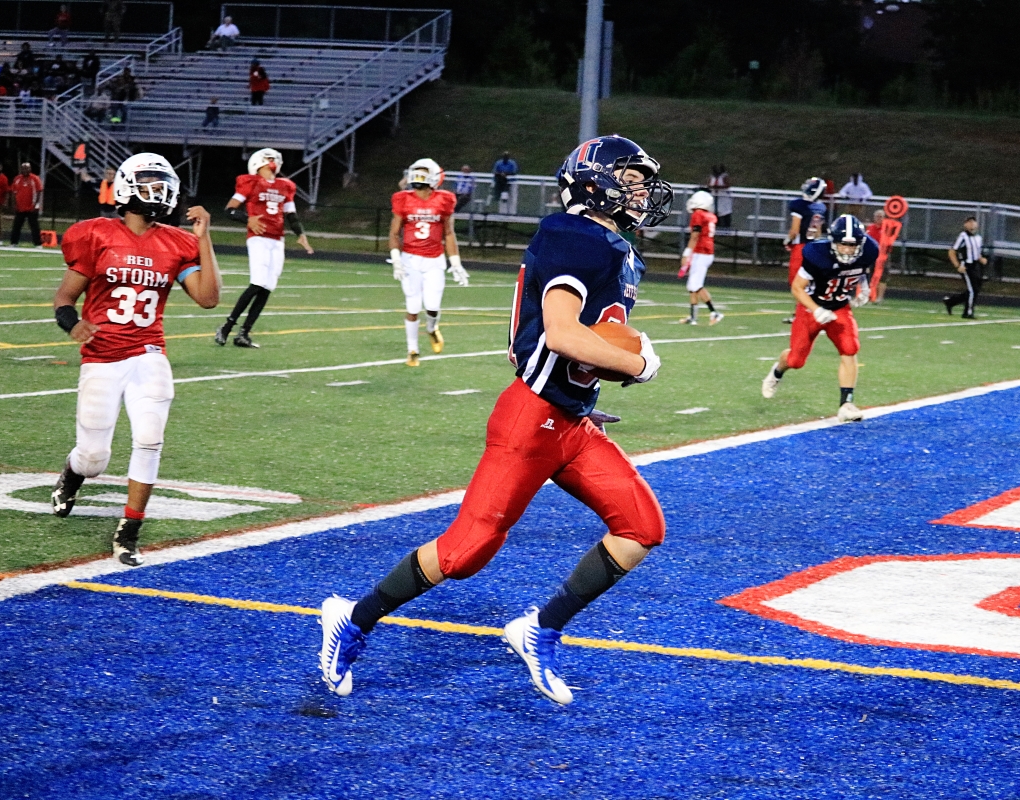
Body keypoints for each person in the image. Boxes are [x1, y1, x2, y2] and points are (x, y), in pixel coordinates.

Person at [318, 134, 671, 705]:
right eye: (629, 177)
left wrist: (585, 392)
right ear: (594, 182)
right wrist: (639, 363)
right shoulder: (574, 235)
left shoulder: (616, 247)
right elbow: (560, 331)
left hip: (570, 421)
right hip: (530, 420)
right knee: (465, 552)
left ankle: (539, 629)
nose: (641, 189)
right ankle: (353, 620)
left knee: (641, 527)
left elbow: (567, 343)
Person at [50, 152, 221, 566]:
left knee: (149, 438)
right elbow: (64, 298)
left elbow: (208, 298)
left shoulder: (177, 242)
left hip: (148, 353)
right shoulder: (95, 235)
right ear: (127, 188)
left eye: (162, 183)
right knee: (94, 458)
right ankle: (72, 476)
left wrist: (204, 238)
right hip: (102, 357)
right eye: (148, 182)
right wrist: (71, 324)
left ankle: (130, 528)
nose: (158, 191)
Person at [761, 214, 878, 423]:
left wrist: (864, 285)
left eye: (853, 246)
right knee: (796, 361)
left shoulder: (869, 249)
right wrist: (816, 309)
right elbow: (797, 288)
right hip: (811, 308)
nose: (849, 250)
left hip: (840, 307)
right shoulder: (817, 254)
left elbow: (862, 267)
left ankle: (846, 404)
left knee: (850, 348)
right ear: (833, 241)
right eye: (844, 245)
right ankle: (777, 371)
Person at [215, 149, 313, 348]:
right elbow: (230, 210)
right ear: (258, 163)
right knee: (258, 282)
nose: (273, 162)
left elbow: (291, 215)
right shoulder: (250, 182)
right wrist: (247, 219)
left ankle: (244, 333)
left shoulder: (285, 186)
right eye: (269, 159)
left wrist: (300, 234)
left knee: (268, 287)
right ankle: (226, 326)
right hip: (258, 238)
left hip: (277, 240)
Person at [388, 158, 468, 366]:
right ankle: (412, 349)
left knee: (432, 306)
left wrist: (456, 262)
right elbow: (394, 233)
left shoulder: (445, 199)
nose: (418, 176)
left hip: (434, 260)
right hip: (410, 259)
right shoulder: (402, 198)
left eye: (423, 172)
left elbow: (449, 234)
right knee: (413, 305)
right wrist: (396, 258)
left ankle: (432, 328)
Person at [783, 177, 827, 323]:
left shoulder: (799, 205)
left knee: (796, 282)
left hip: (801, 247)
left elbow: (795, 229)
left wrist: (788, 240)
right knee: (809, 281)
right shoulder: (820, 208)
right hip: (814, 247)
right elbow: (819, 231)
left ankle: (803, 313)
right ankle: (802, 312)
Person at [677, 189, 722, 325]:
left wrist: (687, 253)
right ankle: (693, 317)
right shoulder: (709, 216)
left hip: (700, 252)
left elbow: (695, 236)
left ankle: (715, 312)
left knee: (695, 285)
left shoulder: (698, 214)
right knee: (692, 284)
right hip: (706, 252)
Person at [944, 215, 987, 319]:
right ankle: (968, 312)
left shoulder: (978, 238)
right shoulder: (963, 236)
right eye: (969, 222)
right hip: (966, 266)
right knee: (972, 290)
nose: (972, 224)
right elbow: (952, 251)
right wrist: (958, 265)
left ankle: (951, 302)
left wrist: (981, 259)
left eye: (973, 222)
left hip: (975, 265)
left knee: (975, 289)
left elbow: (976, 253)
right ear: (965, 225)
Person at [9, 162, 43, 247]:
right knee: (16, 226)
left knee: (34, 226)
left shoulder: (35, 178)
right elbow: (14, 192)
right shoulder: (17, 179)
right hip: (20, 207)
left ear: (30, 169)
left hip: (31, 207)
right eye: (23, 168)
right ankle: (14, 243)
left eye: (27, 168)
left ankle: (38, 244)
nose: (25, 170)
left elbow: (39, 192)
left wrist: (36, 205)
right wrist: (14, 204)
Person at [864, 209, 888, 304]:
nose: (878, 218)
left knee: (882, 276)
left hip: (882, 255)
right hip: (871, 254)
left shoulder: (886, 228)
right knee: (870, 276)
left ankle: (880, 297)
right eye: (877, 216)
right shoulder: (870, 228)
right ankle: (871, 296)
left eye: (880, 216)